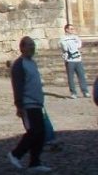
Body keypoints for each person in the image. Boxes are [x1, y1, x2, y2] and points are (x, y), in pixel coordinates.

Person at [9, 36, 52, 172]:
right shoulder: (19, 64)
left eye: (33, 45)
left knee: (41, 133)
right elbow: (18, 85)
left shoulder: (32, 63)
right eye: (29, 45)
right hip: (27, 104)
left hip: (37, 103)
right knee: (34, 131)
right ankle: (16, 154)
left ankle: (35, 162)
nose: (32, 48)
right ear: (22, 48)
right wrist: (19, 105)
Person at [59, 23, 88, 99]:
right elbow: (65, 48)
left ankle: (85, 91)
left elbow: (79, 45)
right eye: (71, 29)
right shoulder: (63, 38)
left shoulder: (76, 37)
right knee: (71, 77)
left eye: (73, 29)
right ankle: (73, 93)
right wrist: (72, 45)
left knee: (81, 76)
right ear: (66, 29)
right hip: (69, 60)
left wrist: (73, 45)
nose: (72, 30)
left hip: (78, 59)